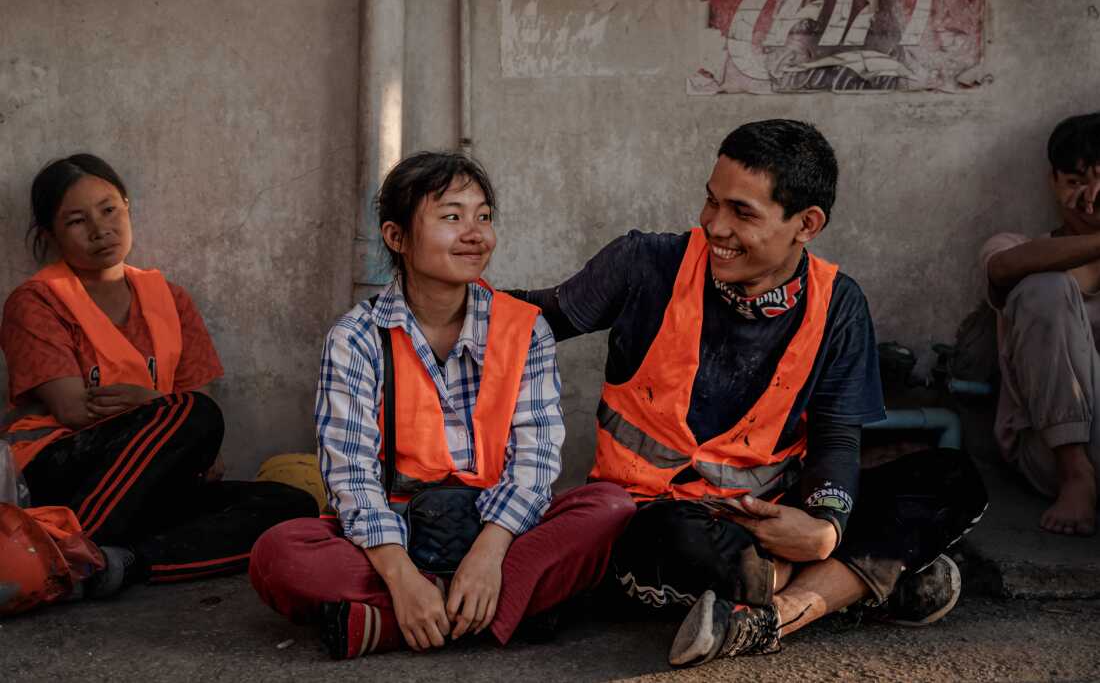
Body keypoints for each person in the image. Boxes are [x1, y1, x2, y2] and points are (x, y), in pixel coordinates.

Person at [514, 120, 987, 668]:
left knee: (953, 478)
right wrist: (438, 288)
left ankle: (774, 613)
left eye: (742, 212)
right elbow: (536, 319)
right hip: (663, 521)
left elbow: (837, 435)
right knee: (659, 539)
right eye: (711, 202)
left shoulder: (838, 304)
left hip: (780, 514)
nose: (715, 225)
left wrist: (823, 525)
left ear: (806, 224)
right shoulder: (646, 264)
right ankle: (855, 586)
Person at [249, 151, 635, 660]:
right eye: (452, 217)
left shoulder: (525, 329)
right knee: (279, 554)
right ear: (396, 237)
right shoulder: (357, 337)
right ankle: (498, 607)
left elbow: (535, 464)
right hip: (401, 528)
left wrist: (489, 554)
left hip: (498, 529)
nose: (476, 234)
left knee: (610, 510)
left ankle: (390, 623)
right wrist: (402, 576)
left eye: (483, 217)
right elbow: (352, 476)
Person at [0, 154, 316, 598]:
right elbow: (74, 408)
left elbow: (193, 412)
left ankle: (119, 563)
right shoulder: (36, 302)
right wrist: (159, 407)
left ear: (127, 206)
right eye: (77, 221)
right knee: (196, 415)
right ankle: (65, 546)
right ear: (51, 235)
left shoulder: (169, 297)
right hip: (63, 472)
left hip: (148, 475)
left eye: (109, 209)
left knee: (294, 507)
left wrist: (161, 413)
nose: (99, 229)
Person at [981, 112, 1100, 536]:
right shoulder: (1016, 247)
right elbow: (1003, 270)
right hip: (1046, 450)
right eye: (1076, 182)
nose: (1092, 197)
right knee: (1042, 288)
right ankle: (1076, 476)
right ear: (1053, 182)